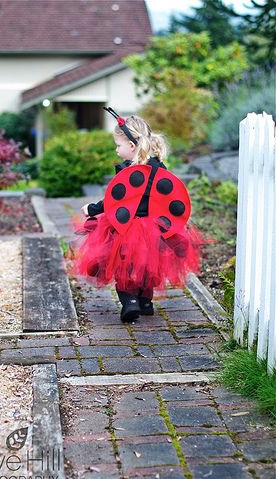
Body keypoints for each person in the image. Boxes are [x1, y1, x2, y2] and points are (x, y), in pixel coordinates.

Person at [71, 107, 205, 322]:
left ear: (131, 146)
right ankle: (145, 302)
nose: (116, 150)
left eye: (118, 145)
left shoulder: (128, 172)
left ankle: (130, 302)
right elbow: (169, 197)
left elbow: (115, 201)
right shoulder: (158, 168)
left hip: (126, 227)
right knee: (147, 265)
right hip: (155, 229)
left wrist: (92, 209)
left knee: (124, 265)